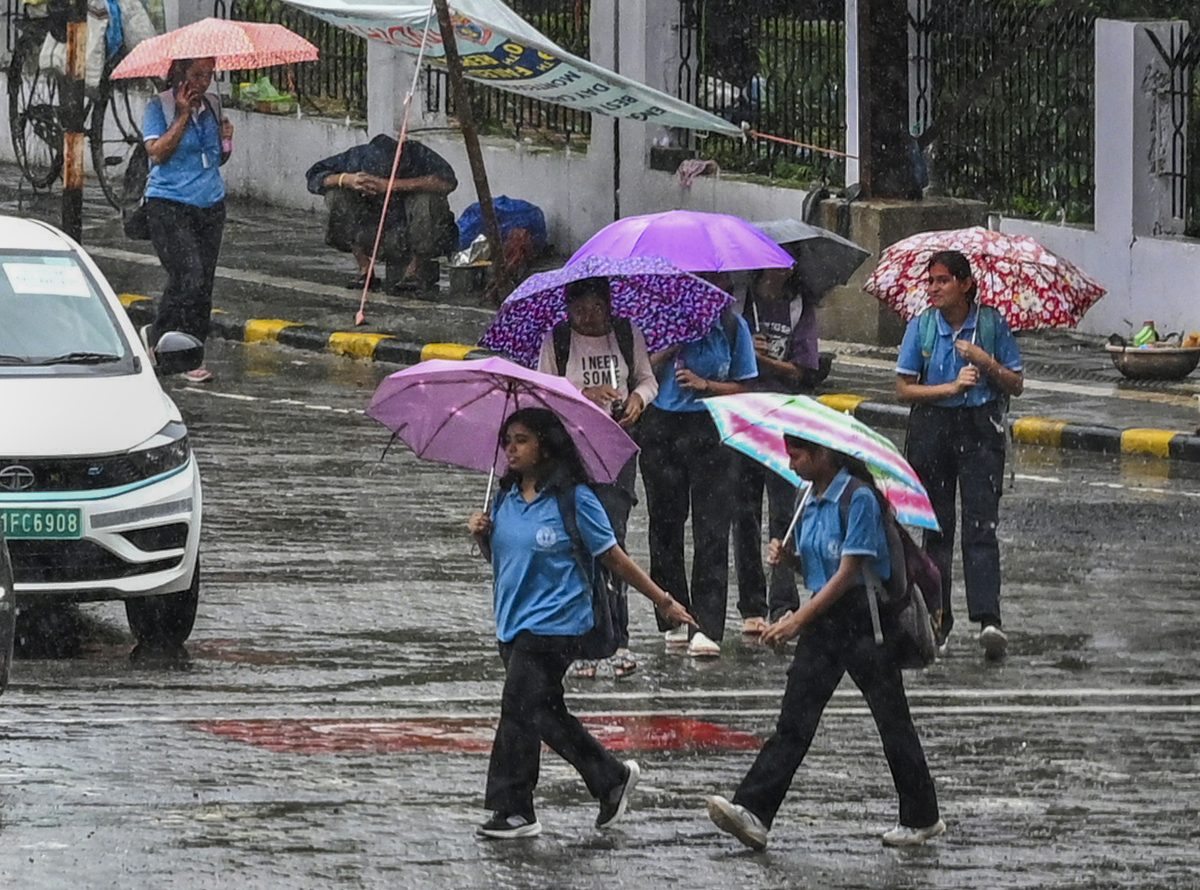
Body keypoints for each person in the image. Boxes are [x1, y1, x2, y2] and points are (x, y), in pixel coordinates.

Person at [706, 434, 944, 851]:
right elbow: (820, 567)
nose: (790, 463)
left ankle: (921, 816)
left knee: (892, 721)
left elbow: (849, 571)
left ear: (823, 455)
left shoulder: (859, 499)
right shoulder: (807, 499)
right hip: (824, 620)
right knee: (794, 720)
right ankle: (754, 810)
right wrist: (790, 559)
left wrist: (797, 621)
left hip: (865, 621)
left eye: (797, 455)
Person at [466, 408, 695, 840]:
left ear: (545, 446)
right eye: (507, 441)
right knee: (542, 712)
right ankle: (609, 778)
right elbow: (504, 561)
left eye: (521, 440)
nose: (510, 449)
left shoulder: (575, 499)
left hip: (557, 623)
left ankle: (514, 809)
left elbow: (613, 557)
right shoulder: (504, 499)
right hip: (512, 622)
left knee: (517, 708)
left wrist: (662, 600)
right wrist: (483, 537)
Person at [895, 250, 1024, 660]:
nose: (934, 288)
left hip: (981, 430)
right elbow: (904, 388)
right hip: (933, 429)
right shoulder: (922, 327)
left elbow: (1016, 383)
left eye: (943, 280)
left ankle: (988, 619)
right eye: (930, 281)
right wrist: (949, 388)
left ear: (965, 284)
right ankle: (938, 619)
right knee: (936, 530)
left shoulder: (990, 324)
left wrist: (986, 363)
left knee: (981, 525)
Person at [536, 276, 659, 679]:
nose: (588, 318)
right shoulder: (557, 341)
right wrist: (584, 397)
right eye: (579, 311)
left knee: (612, 542)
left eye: (596, 309)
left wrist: (637, 400)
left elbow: (647, 379)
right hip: (571, 455)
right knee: (576, 544)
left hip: (616, 450)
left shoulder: (626, 334)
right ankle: (582, 640)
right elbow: (543, 394)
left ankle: (618, 639)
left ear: (609, 306)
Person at [639, 275, 757, 658]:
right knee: (665, 526)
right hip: (661, 428)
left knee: (712, 529)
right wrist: (671, 345)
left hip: (711, 428)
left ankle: (707, 624)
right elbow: (638, 372)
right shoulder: (657, 319)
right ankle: (672, 613)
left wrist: (706, 385)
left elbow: (745, 385)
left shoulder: (732, 326)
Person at [733, 266, 822, 636]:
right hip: (745, 417)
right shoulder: (740, 302)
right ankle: (752, 604)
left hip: (786, 419)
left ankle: (783, 603)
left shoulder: (799, 307)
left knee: (785, 512)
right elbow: (727, 360)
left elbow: (802, 370)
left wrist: (765, 361)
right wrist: (744, 347)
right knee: (744, 513)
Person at [140, 56, 233, 384]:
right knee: (187, 274)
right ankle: (158, 340)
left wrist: (226, 139)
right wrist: (181, 115)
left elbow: (216, 158)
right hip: (169, 204)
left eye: (209, 75)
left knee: (204, 282)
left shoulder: (212, 106)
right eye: (196, 75)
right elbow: (157, 153)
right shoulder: (159, 107)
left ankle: (192, 352)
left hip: (209, 203)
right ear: (180, 73)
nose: (203, 82)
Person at [304, 135, 458, 294]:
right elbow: (313, 176)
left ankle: (414, 270)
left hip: (411, 233)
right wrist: (345, 179)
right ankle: (365, 269)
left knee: (428, 201)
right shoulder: (356, 157)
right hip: (369, 231)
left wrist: (392, 185)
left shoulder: (417, 155)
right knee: (336, 195)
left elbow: (448, 181)